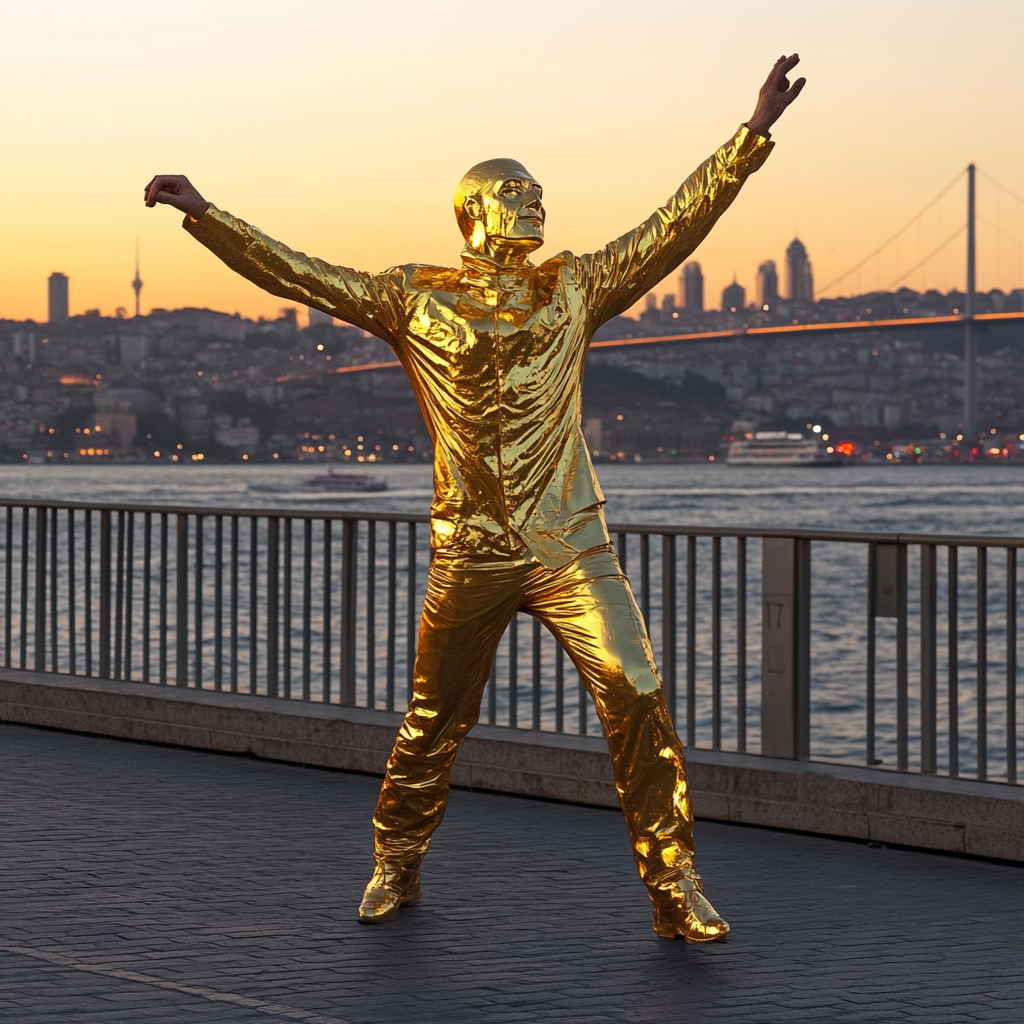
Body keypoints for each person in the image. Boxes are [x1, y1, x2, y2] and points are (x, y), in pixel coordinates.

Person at [145, 54, 804, 942]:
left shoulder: (573, 287)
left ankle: (672, 882)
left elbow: (670, 229)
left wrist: (750, 135)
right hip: (471, 551)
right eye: (521, 192)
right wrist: (206, 217)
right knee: (433, 719)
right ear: (477, 210)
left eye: (540, 192)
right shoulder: (411, 297)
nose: (539, 202)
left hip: (571, 544)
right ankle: (395, 860)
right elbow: (298, 274)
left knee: (639, 691)